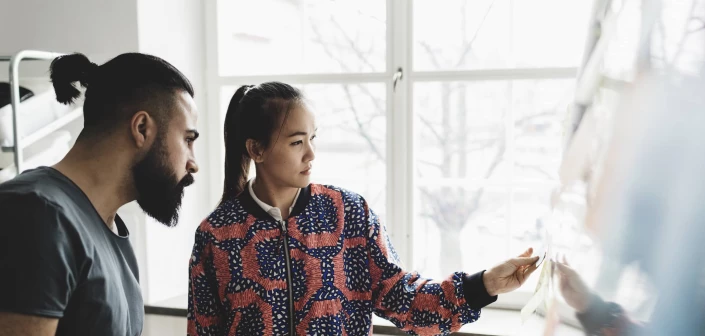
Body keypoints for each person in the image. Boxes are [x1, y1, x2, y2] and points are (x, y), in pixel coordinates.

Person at [188, 82, 539, 335]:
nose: (311, 154)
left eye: (313, 138)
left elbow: (404, 298)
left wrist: (484, 285)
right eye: (297, 142)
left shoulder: (348, 214)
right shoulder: (216, 235)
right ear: (256, 149)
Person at [0, 52, 200, 336]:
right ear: (141, 128)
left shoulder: (111, 228)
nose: (193, 163)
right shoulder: (36, 213)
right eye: (188, 140)